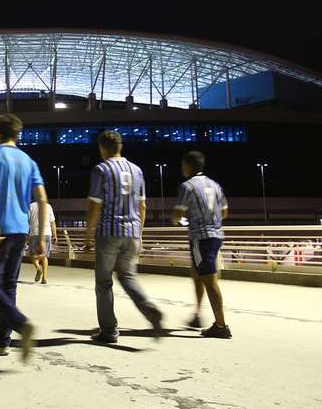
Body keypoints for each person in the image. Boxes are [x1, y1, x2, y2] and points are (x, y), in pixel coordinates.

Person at [85, 130, 163, 344]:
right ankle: (150, 310)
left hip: (109, 232)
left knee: (103, 283)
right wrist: (139, 234)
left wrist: (88, 235)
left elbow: (94, 206)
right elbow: (143, 205)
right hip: (132, 233)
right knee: (128, 277)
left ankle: (109, 331)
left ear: (102, 148)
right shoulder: (137, 171)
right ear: (121, 146)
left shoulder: (101, 169)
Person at [0, 114, 45, 362]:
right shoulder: (29, 161)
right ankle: (2, 342)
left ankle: (22, 325)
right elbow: (43, 198)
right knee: (9, 286)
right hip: (21, 229)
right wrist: (39, 238)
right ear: (18, 134)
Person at [171, 151, 232, 339]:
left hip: (201, 238)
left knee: (208, 279)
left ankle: (221, 325)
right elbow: (224, 212)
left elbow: (177, 216)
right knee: (197, 274)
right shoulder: (215, 185)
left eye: (183, 165)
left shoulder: (187, 187)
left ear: (188, 166)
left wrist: (179, 220)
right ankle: (197, 315)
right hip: (216, 235)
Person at [28, 201, 58, 284]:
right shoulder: (48, 206)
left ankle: (38, 268)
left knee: (32, 255)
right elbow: (52, 223)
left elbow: (27, 221)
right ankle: (44, 278)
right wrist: (55, 235)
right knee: (44, 255)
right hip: (47, 233)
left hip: (35, 233)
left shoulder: (30, 206)